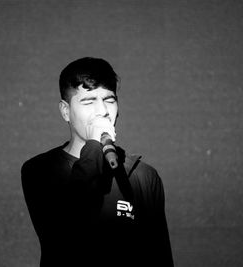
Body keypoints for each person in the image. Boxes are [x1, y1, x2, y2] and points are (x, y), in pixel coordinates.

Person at [21, 57, 174, 267]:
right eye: (88, 101)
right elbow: (65, 235)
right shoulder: (40, 170)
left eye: (109, 100)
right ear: (66, 111)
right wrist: (94, 143)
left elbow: (160, 256)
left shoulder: (143, 176)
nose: (102, 111)